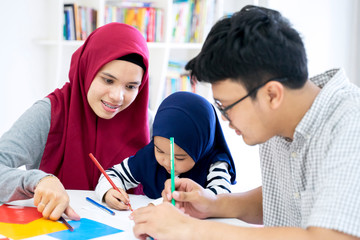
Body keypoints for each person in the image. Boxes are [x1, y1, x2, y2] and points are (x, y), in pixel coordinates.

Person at [131, 5, 360, 240]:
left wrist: (188, 229)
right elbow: (288, 200)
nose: (224, 118)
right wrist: (213, 203)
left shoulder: (350, 123)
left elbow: (334, 236)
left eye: (226, 106)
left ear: (272, 95)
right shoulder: (279, 119)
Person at [0, 22, 150, 221]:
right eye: (108, 80)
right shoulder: (50, 112)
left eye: (131, 86)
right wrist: (39, 181)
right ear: (87, 69)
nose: (117, 96)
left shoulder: (147, 121)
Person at [95, 91, 236, 210]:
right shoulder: (150, 155)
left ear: (202, 147)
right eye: (160, 151)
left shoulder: (216, 164)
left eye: (179, 158)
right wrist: (109, 191)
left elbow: (219, 199)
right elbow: (113, 174)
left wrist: (161, 205)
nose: (167, 162)